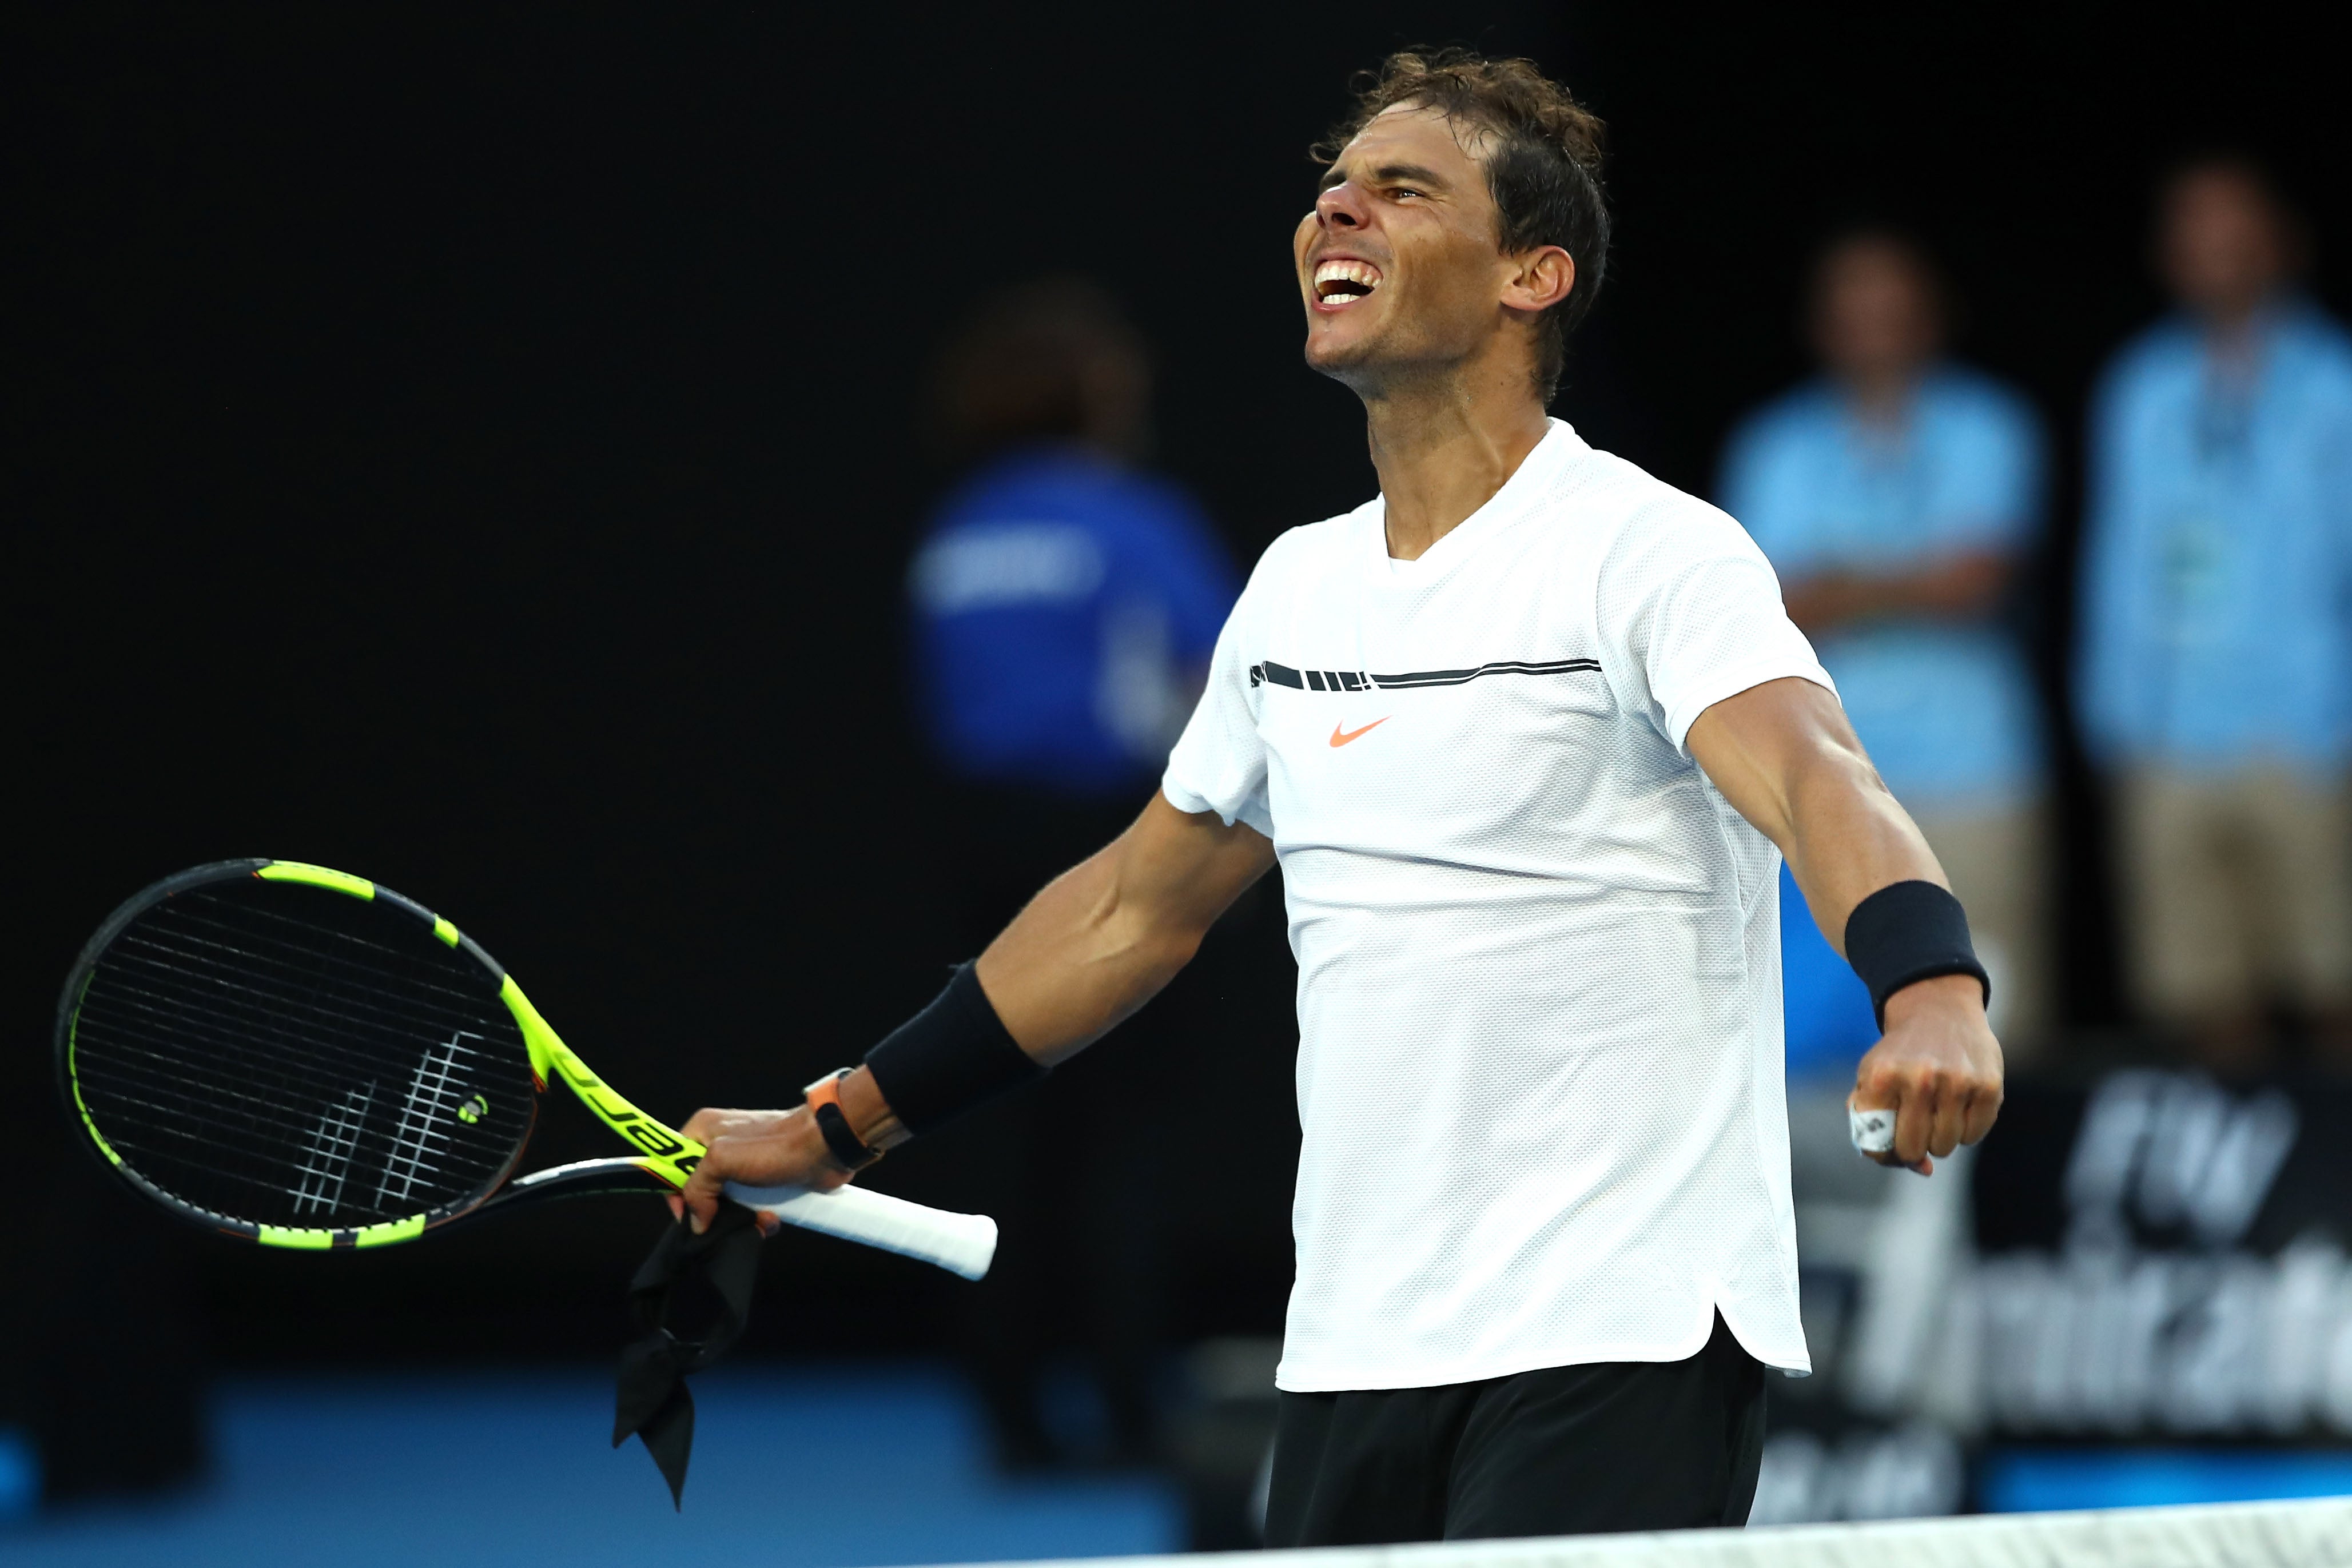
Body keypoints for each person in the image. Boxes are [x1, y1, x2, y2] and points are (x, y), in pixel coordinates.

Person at [683, 50, 2004, 1542]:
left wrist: (1932, 982)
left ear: (1530, 274)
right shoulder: (1295, 588)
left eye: (1401, 189)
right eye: (1329, 189)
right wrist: (842, 1122)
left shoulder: (1648, 550)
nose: (1336, 213)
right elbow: (1124, 911)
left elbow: (1817, 776)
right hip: (1360, 1343)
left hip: (1621, 1328)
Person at [908, 277, 1239, 1467]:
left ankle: (1004, 1407)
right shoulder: (1127, 518)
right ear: (1088, 394)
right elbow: (1216, 680)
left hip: (979, 848)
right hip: (1108, 845)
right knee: (1126, 1137)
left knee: (1005, 1124)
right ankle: (1133, 1405)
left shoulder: (955, 531)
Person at [1721, 233, 2050, 1064]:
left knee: (1999, 1015)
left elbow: (1975, 582)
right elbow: (1764, 607)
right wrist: (1913, 580)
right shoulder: (1773, 444)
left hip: (1973, 768)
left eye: (1891, 303)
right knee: (1828, 1022)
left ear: (1930, 315)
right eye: (1852, 307)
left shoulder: (1989, 425)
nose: (1873, 323)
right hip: (1822, 776)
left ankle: (1991, 1198)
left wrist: (1840, 583)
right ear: (1821, 324)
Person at [2076, 158, 2352, 1076]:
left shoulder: (2334, 380)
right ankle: (2247, 1212)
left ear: (2281, 243)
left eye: (2233, 227)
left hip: (2309, 724)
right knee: (2201, 990)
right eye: (2193, 230)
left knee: (2330, 977)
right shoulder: (2140, 386)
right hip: (2170, 730)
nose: (2214, 250)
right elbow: (2115, 557)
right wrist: (2115, 715)